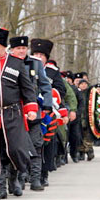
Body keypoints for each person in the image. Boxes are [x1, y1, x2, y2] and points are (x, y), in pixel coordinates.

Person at [0, 28, 38, 199]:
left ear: (3, 46)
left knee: (15, 149)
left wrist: (31, 109)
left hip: (13, 113)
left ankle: (14, 179)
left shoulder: (16, 63)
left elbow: (27, 88)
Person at [9, 35, 52, 191]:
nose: (21, 51)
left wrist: (47, 105)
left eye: (23, 48)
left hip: (33, 111)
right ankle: (19, 178)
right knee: (18, 147)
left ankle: (35, 179)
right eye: (18, 48)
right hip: (14, 112)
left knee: (36, 145)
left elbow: (45, 85)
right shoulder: (8, 63)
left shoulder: (35, 63)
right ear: (12, 49)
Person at [30, 39, 67, 185]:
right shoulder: (26, 66)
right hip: (30, 110)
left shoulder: (52, 72)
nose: (38, 57)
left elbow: (61, 89)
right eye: (36, 54)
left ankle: (43, 173)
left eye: (41, 55)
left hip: (47, 111)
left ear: (46, 57)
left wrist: (51, 97)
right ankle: (29, 172)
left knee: (47, 143)